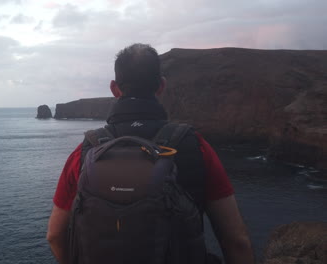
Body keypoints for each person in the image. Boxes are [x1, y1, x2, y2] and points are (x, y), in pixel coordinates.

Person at [47, 43, 255, 264]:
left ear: (114, 88)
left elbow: (55, 236)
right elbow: (236, 241)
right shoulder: (196, 146)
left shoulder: (86, 151)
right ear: (161, 86)